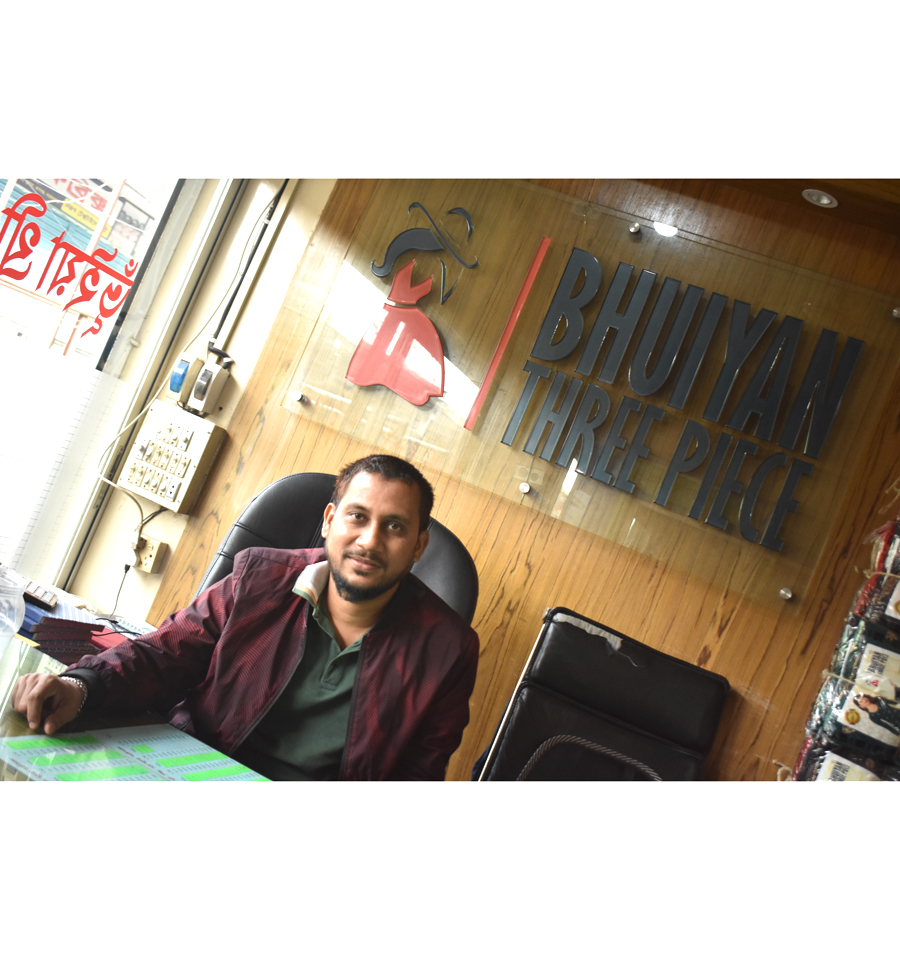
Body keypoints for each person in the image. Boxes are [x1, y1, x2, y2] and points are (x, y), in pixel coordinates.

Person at [13, 455, 480, 780]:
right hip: (193, 770)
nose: (370, 540)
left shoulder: (448, 650)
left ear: (418, 546)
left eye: (394, 526)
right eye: (357, 516)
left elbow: (416, 776)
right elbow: (163, 654)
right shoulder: (258, 578)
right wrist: (80, 686)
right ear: (328, 521)